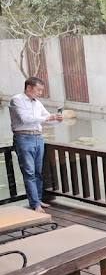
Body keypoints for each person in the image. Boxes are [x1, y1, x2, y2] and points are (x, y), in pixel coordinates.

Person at [9, 77, 64, 213]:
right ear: (29, 87)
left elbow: (47, 118)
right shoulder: (17, 100)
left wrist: (57, 119)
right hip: (23, 137)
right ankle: (35, 204)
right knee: (29, 172)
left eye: (41, 90)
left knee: (38, 172)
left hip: (38, 138)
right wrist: (47, 118)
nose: (40, 93)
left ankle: (38, 199)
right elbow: (25, 118)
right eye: (38, 89)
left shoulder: (37, 103)